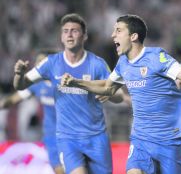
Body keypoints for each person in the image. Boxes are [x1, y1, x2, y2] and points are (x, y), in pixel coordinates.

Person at [60, 14, 181, 174]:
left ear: (133, 36)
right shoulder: (123, 63)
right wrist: (76, 82)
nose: (112, 35)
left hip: (170, 140)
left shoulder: (156, 56)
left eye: (118, 30)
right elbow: (108, 87)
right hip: (141, 140)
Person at [13, 13, 125, 174]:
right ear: (61, 37)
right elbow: (21, 85)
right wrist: (18, 75)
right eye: (65, 31)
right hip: (68, 138)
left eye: (74, 30)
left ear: (84, 36)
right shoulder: (51, 63)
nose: (69, 34)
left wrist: (110, 94)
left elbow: (119, 95)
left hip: (96, 137)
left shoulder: (97, 64)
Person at [0, 50, 64, 174]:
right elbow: (13, 99)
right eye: (37, 62)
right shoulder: (37, 85)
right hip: (51, 136)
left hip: (72, 135)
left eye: (41, 62)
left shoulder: (66, 83)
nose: (37, 66)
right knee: (59, 170)